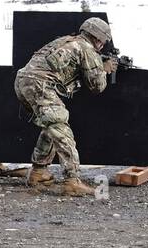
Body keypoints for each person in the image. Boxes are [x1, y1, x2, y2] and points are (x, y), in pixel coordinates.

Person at [14, 17, 116, 196]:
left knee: (51, 127)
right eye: (103, 42)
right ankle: (72, 180)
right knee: (61, 128)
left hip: (23, 81)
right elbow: (97, 86)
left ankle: (39, 172)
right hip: (41, 84)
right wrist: (104, 69)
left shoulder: (65, 40)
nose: (102, 46)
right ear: (99, 39)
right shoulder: (86, 49)